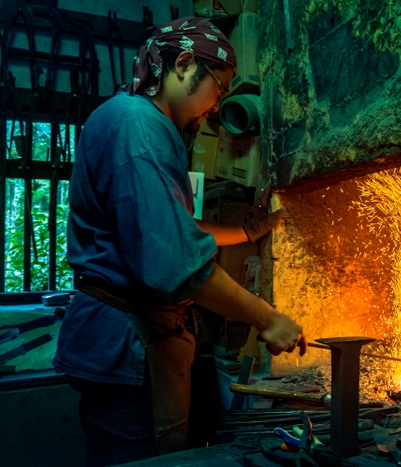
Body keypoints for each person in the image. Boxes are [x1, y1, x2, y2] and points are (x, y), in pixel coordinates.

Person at [52, 17, 306, 466]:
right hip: (129, 348)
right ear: (185, 64)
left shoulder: (129, 119)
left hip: (125, 345)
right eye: (220, 87)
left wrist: (247, 232)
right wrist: (268, 319)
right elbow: (174, 263)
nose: (218, 104)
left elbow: (173, 229)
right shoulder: (139, 129)